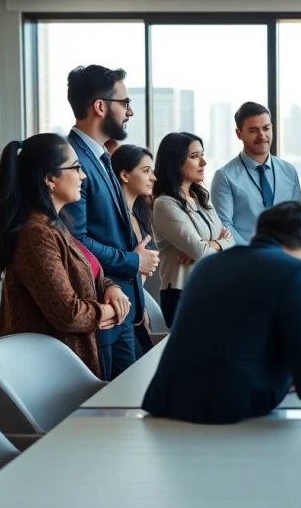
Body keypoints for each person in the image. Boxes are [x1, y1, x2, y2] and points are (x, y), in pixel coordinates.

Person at [141, 201, 301, 424]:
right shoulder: (299, 274)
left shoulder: (209, 264)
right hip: (222, 421)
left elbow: (228, 346)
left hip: (164, 409)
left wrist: (290, 371)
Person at [0, 134, 129, 379]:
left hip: (67, 361)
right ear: (50, 178)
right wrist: (108, 311)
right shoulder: (36, 234)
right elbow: (68, 313)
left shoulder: (56, 224)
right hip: (50, 373)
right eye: (76, 168)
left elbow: (87, 271)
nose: (83, 176)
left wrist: (112, 287)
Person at [63, 65, 158, 380]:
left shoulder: (102, 158)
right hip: (100, 306)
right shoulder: (71, 160)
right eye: (125, 103)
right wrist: (133, 260)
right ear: (101, 107)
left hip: (123, 307)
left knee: (128, 400)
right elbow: (75, 242)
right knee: (106, 406)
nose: (129, 112)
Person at [152, 132, 235, 327]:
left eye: (202, 154)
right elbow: (201, 251)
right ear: (175, 162)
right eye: (195, 156)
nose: (203, 162)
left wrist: (210, 245)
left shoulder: (201, 199)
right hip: (183, 294)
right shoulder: (165, 204)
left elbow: (231, 241)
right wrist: (207, 247)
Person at [211, 101, 301, 245]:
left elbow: (299, 216)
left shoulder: (288, 170)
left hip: (286, 257)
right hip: (247, 260)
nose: (262, 135)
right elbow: (225, 225)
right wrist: (253, 254)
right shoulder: (225, 176)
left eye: (266, 128)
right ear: (239, 133)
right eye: (253, 130)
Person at [111, 144, 160, 352]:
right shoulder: (114, 219)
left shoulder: (138, 215)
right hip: (120, 311)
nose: (153, 177)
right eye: (146, 171)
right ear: (125, 175)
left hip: (136, 309)